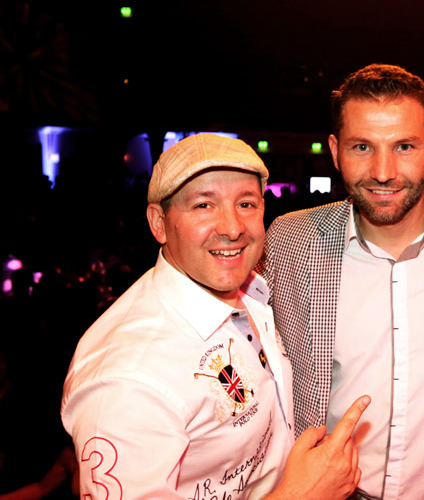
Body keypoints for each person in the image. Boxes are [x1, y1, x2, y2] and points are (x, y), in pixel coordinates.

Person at [259, 64, 424, 499]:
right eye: (362, 147)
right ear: (335, 151)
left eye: (404, 146)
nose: (383, 171)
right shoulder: (291, 240)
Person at [61, 133, 370, 499]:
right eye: (204, 205)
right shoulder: (126, 379)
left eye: (246, 204)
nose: (232, 227)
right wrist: (303, 493)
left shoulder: (253, 293)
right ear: (159, 222)